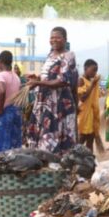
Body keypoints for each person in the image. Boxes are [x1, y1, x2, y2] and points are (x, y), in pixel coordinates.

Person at [25, 26, 78, 155]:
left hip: (58, 104)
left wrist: (38, 82)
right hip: (44, 103)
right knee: (42, 136)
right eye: (52, 37)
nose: (54, 40)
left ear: (65, 39)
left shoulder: (68, 56)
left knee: (55, 136)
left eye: (57, 37)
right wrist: (37, 78)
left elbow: (62, 80)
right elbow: (48, 77)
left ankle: (57, 166)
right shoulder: (50, 55)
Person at [0, 50, 23, 153]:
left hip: (5, 112)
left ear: (0, 62)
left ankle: (2, 165)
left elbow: (2, 90)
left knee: (3, 140)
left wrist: (0, 108)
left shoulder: (1, 75)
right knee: (15, 140)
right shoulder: (16, 77)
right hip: (16, 111)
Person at [77, 59, 101, 153]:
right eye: (93, 70)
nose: (95, 73)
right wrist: (92, 85)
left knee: (91, 138)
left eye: (96, 70)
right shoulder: (81, 80)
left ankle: (89, 159)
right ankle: (76, 157)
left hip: (91, 114)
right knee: (82, 138)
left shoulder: (91, 81)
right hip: (83, 115)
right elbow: (82, 98)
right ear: (86, 68)